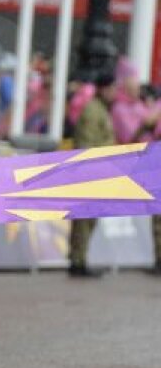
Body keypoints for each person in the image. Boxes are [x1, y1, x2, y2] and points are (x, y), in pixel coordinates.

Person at [68, 72, 117, 279]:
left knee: (90, 220)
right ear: (104, 89)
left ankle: (81, 258)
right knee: (83, 220)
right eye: (113, 89)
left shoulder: (101, 110)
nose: (115, 94)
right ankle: (77, 261)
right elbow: (86, 144)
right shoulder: (92, 111)